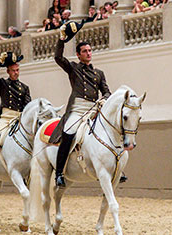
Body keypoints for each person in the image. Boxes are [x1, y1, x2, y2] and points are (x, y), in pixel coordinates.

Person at [51, 21, 111, 187]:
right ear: (78, 55)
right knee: (69, 133)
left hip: (93, 109)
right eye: (85, 51)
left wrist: (104, 98)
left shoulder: (99, 73)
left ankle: (114, 168)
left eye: (90, 51)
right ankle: (59, 173)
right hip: (78, 110)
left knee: (109, 131)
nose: (88, 53)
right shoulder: (73, 68)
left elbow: (106, 91)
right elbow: (58, 57)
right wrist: (62, 40)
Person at [0, 52, 31, 180]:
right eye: (13, 71)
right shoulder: (3, 84)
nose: (16, 73)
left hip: (19, 117)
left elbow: (28, 105)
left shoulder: (25, 87)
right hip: (6, 117)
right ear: (8, 72)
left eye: (17, 70)